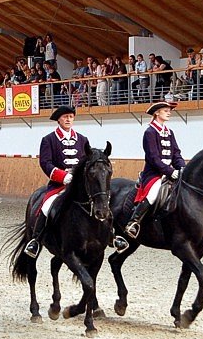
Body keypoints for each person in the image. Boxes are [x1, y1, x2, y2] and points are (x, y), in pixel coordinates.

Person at [24, 106, 128, 258]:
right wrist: (63, 176)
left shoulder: (82, 139)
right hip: (59, 184)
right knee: (46, 206)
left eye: (71, 117)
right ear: (59, 120)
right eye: (65, 117)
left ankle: (111, 236)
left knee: (102, 202)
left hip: (79, 186)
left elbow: (88, 162)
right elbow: (45, 163)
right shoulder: (49, 139)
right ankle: (36, 240)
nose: (68, 119)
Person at [125, 101, 186, 238]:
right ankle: (134, 221)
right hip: (154, 174)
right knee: (153, 194)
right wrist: (170, 171)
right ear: (157, 113)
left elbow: (176, 154)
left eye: (169, 111)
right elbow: (153, 158)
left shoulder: (169, 132)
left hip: (170, 172)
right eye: (166, 111)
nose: (169, 113)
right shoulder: (150, 132)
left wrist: (182, 168)